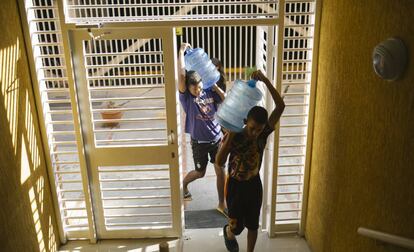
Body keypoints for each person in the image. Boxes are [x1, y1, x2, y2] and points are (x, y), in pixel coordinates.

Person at [215, 70, 285, 252]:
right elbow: (219, 162)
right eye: (253, 128)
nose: (255, 133)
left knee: (253, 225)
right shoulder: (235, 134)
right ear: (246, 121)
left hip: (253, 185)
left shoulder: (263, 135)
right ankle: (229, 232)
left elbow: (280, 106)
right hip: (235, 187)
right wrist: (230, 135)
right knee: (237, 228)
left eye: (259, 129)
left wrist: (266, 81)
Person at [178, 43, 227, 214]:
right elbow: (182, 75)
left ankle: (222, 203)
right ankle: (184, 184)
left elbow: (224, 97)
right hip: (199, 142)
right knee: (200, 173)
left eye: (199, 86)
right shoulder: (186, 99)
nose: (198, 91)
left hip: (216, 139)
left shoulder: (207, 91)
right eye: (194, 88)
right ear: (188, 88)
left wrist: (212, 84)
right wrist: (181, 52)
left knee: (220, 170)